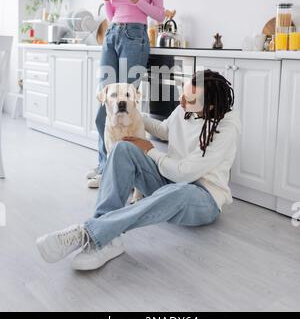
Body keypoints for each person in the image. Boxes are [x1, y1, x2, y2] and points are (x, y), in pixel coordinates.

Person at [36, 70, 241, 272]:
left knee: (180, 190)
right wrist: (133, 111)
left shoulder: (226, 127)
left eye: (189, 99)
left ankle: (88, 233)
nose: (181, 102)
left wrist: (150, 150)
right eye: (183, 94)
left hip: (202, 198)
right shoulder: (184, 109)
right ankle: (107, 239)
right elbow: (163, 130)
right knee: (122, 147)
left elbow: (183, 174)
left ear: (211, 106)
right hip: (169, 179)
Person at [86, 0, 165, 188]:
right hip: (112, 36)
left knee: (127, 107)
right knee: (104, 105)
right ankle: (105, 165)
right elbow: (111, 15)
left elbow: (159, 14)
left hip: (135, 37)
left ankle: (124, 170)